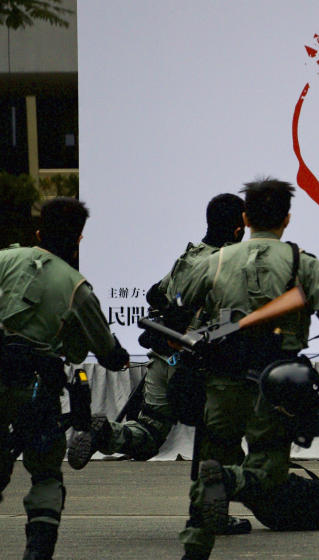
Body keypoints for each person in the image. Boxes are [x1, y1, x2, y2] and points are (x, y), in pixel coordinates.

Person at [175, 179, 319, 560]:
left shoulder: (216, 261)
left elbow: (177, 309)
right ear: (286, 219)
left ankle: (196, 546)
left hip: (221, 384)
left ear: (245, 218)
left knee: (212, 458)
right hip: (275, 386)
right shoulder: (301, 262)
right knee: (266, 472)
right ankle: (226, 479)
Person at [66, 193, 252, 535]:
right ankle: (210, 514)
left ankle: (104, 432)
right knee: (219, 440)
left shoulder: (189, 255)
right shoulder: (232, 265)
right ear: (239, 227)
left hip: (163, 362)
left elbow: (156, 294)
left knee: (150, 433)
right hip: (199, 367)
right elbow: (229, 323)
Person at [0, 198, 130, 560]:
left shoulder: (4, 259)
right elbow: (100, 351)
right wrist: (116, 354)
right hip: (35, 388)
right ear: (78, 239)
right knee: (45, 476)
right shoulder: (78, 288)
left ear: (39, 231)